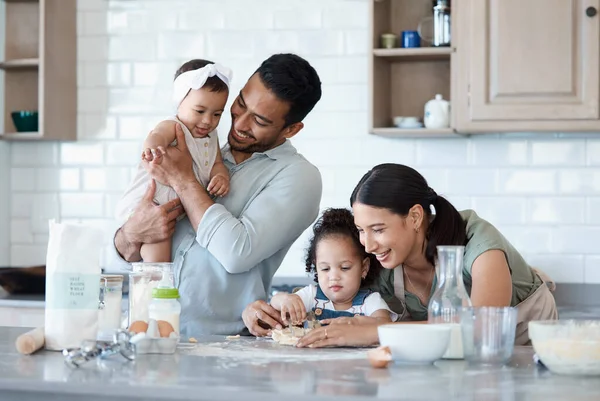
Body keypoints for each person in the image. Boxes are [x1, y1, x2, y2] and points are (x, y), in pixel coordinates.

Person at [109, 53, 323, 337]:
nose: (239, 124)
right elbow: (116, 259)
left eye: (259, 120)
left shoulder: (298, 177)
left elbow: (236, 253)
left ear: (291, 129)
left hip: (219, 344)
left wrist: (183, 179)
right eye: (240, 104)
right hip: (144, 334)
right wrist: (131, 234)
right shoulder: (202, 150)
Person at [294, 163, 558, 348]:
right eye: (362, 231)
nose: (368, 245)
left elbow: (480, 327)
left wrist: (376, 331)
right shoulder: (381, 263)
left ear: (415, 217)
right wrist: (281, 306)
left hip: (525, 353)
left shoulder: (478, 240)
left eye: (378, 229)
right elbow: (331, 295)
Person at [115, 59, 232, 263]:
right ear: (180, 102)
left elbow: (217, 163)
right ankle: (156, 281)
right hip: (153, 202)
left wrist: (220, 175)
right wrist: (153, 148)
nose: (207, 121)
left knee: (165, 234)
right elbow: (157, 135)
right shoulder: (174, 126)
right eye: (200, 111)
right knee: (159, 244)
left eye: (217, 114)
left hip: (172, 209)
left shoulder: (211, 137)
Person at [270, 208, 396, 326]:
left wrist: (355, 325)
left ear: (364, 268)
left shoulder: (370, 301)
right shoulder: (311, 296)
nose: (334, 277)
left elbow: (384, 324)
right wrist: (285, 300)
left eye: (345, 267)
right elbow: (275, 303)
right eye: (325, 269)